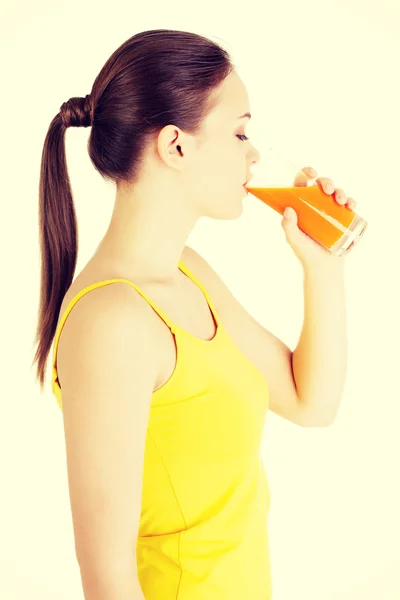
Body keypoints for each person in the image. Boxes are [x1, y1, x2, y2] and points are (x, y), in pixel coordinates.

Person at [32, 28, 348, 600]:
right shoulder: (112, 323)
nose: (253, 153)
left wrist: (323, 267)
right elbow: (107, 577)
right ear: (176, 146)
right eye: (240, 132)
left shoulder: (189, 272)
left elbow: (311, 402)